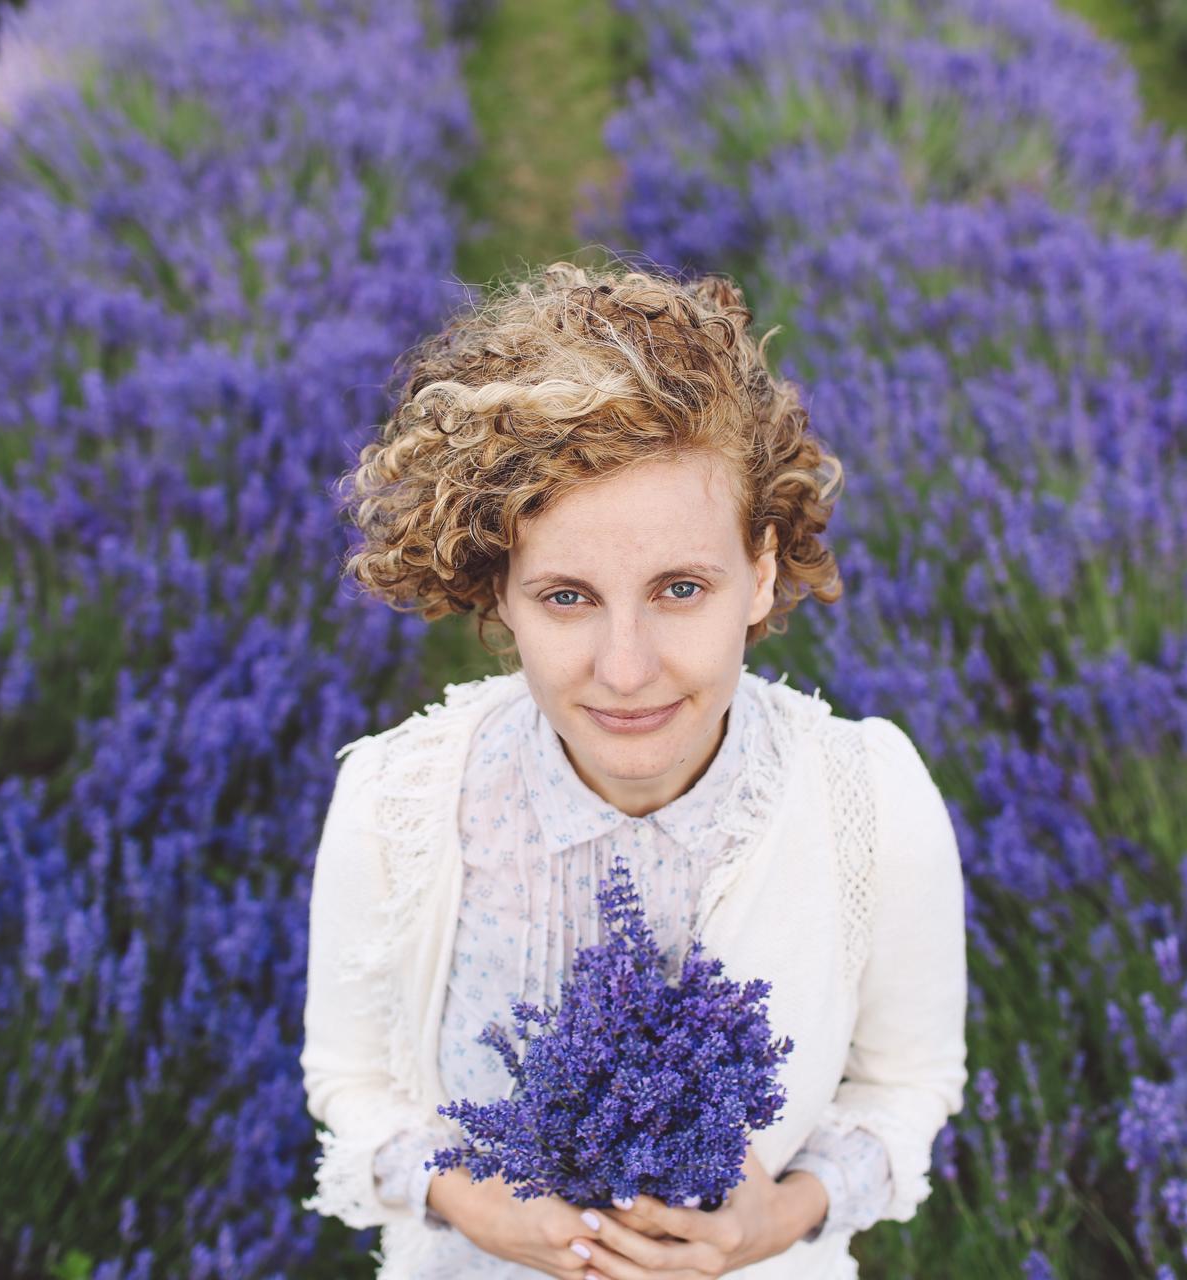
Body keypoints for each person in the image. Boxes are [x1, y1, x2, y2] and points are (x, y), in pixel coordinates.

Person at [301, 258, 967, 1279]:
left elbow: (905, 1085)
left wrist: (776, 1220)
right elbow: (351, 1085)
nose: (624, 668)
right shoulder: (402, 801)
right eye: (567, 595)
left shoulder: (866, 800)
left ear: (763, 570)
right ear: (500, 596)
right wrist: (472, 1204)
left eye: (680, 588)